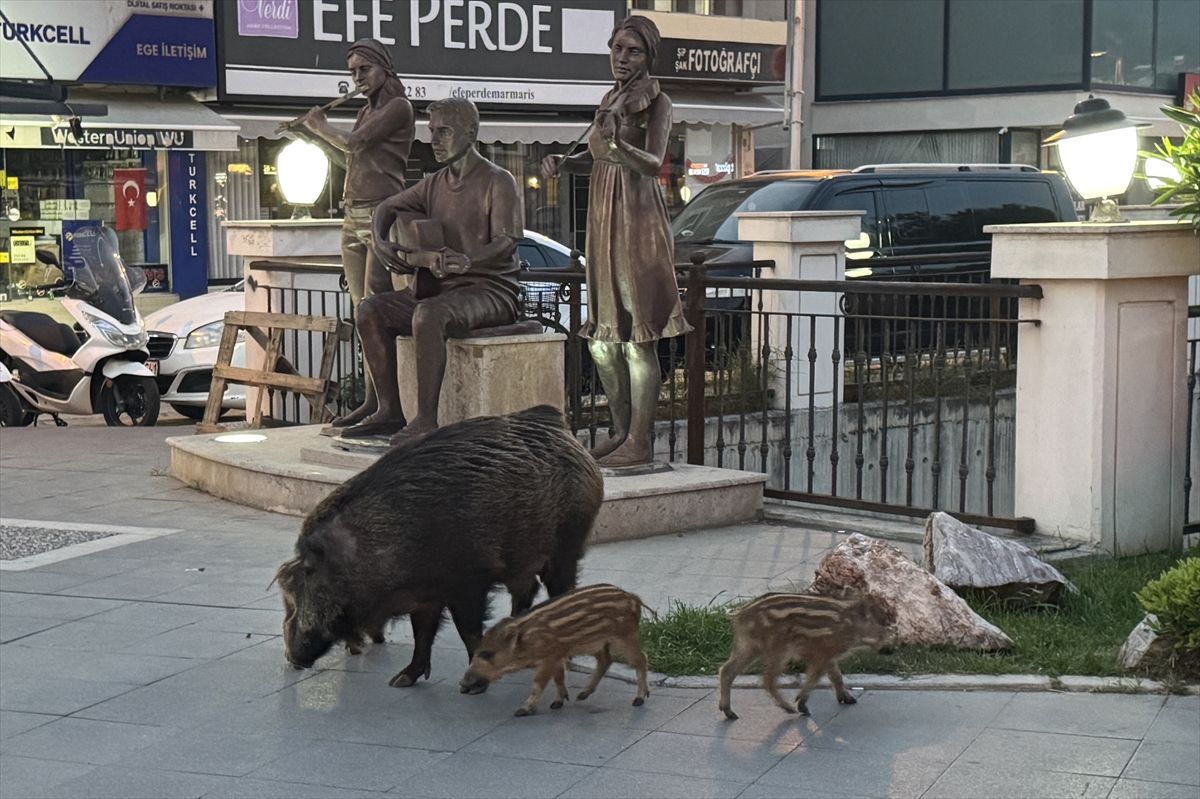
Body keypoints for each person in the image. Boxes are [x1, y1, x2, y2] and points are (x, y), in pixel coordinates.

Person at [541, 16, 690, 467]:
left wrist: (618, 147)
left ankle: (640, 441)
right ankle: (621, 430)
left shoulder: (657, 101)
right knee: (603, 338)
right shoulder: (609, 99)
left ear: (649, 57)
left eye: (633, 51)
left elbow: (653, 162)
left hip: (638, 219)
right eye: (617, 49)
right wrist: (565, 163)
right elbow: (599, 157)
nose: (621, 59)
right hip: (604, 215)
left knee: (638, 336)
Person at [340, 97, 523, 443]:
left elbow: (507, 242)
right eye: (432, 132)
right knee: (369, 310)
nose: (434, 140)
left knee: (427, 314)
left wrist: (469, 261)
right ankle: (390, 410)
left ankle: (425, 419)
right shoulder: (434, 182)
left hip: (490, 291)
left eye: (444, 132)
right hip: (442, 290)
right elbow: (385, 207)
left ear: (470, 133)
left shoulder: (499, 181)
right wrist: (380, 242)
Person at [298, 37, 415, 429]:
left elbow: (356, 143)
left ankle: (389, 407)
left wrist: (322, 126)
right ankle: (373, 400)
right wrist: (313, 136)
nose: (357, 78)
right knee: (361, 311)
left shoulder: (399, 107)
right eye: (352, 72)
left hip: (381, 214)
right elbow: (350, 156)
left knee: (373, 309)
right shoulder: (367, 110)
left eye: (363, 70)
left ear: (385, 68)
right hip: (353, 216)